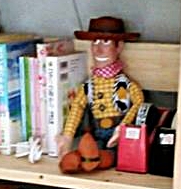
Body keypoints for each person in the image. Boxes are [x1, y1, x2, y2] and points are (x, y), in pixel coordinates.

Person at [56, 16, 144, 158]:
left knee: (111, 155)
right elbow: (77, 107)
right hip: (96, 133)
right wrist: (67, 136)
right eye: (95, 42)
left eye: (106, 42)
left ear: (119, 47)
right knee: (90, 154)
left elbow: (138, 102)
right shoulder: (89, 86)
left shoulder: (124, 84)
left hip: (118, 134)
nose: (98, 50)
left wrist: (123, 126)